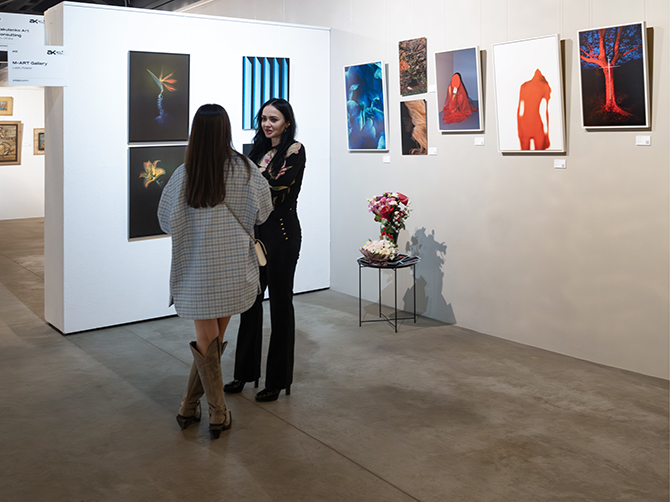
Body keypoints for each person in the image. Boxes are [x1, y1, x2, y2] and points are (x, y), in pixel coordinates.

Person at [158, 104, 272, 439]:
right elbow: (263, 213)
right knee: (213, 341)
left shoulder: (185, 174)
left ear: (195, 133)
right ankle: (212, 410)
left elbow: (165, 220)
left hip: (196, 270)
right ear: (226, 130)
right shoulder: (246, 169)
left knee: (208, 342)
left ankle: (197, 408)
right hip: (234, 267)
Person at [224, 98, 306, 402]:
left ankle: (278, 380)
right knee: (250, 303)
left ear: (287, 122)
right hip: (255, 235)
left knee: (281, 305)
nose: (267, 124)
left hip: (282, 235)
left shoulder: (294, 150)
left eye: (274, 119)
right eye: (264, 119)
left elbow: (275, 188)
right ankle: (245, 373)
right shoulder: (256, 151)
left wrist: (247, 182)